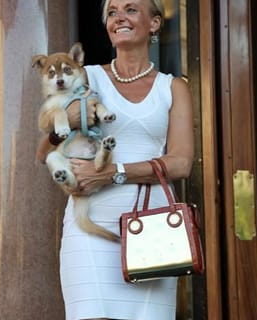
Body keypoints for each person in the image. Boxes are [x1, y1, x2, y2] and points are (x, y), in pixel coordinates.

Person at [36, 0, 195, 318]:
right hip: (89, 229)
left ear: (154, 23)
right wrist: (65, 123)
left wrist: (113, 172)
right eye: (112, 12)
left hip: (153, 232)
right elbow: (43, 154)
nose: (119, 17)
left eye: (131, 9)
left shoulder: (172, 88)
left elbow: (181, 163)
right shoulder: (86, 78)